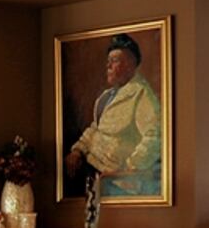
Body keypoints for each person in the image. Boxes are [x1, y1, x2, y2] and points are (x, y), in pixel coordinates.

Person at [64, 33, 162, 197]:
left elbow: (155, 137)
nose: (108, 65)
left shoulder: (141, 94)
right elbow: (96, 128)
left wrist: (128, 168)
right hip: (89, 168)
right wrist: (77, 151)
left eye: (115, 60)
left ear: (130, 65)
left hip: (113, 181)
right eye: (108, 60)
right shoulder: (108, 96)